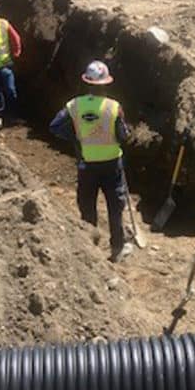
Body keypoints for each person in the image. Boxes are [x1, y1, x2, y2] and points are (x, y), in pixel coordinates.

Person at [50, 61, 133, 263]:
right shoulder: (114, 107)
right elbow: (123, 136)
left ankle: (89, 249)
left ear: (87, 82)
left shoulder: (74, 105)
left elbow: (55, 126)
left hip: (87, 165)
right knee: (115, 208)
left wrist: (76, 137)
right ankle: (117, 248)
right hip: (112, 165)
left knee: (87, 206)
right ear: (106, 84)